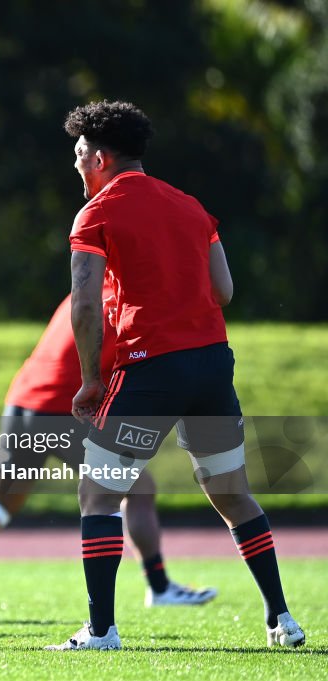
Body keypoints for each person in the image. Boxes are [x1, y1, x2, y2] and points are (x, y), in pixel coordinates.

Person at [47, 100, 304, 650]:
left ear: (100, 155)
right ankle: (281, 619)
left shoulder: (96, 214)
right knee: (233, 494)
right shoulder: (191, 207)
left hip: (150, 370)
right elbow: (225, 292)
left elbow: (85, 307)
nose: (75, 166)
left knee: (98, 494)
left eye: (77, 155)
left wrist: (91, 381)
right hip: (212, 366)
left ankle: (100, 631)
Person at [0, 287, 216, 608]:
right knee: (139, 488)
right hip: (62, 409)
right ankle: (159, 587)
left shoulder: (87, 289)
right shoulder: (130, 304)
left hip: (23, 401)